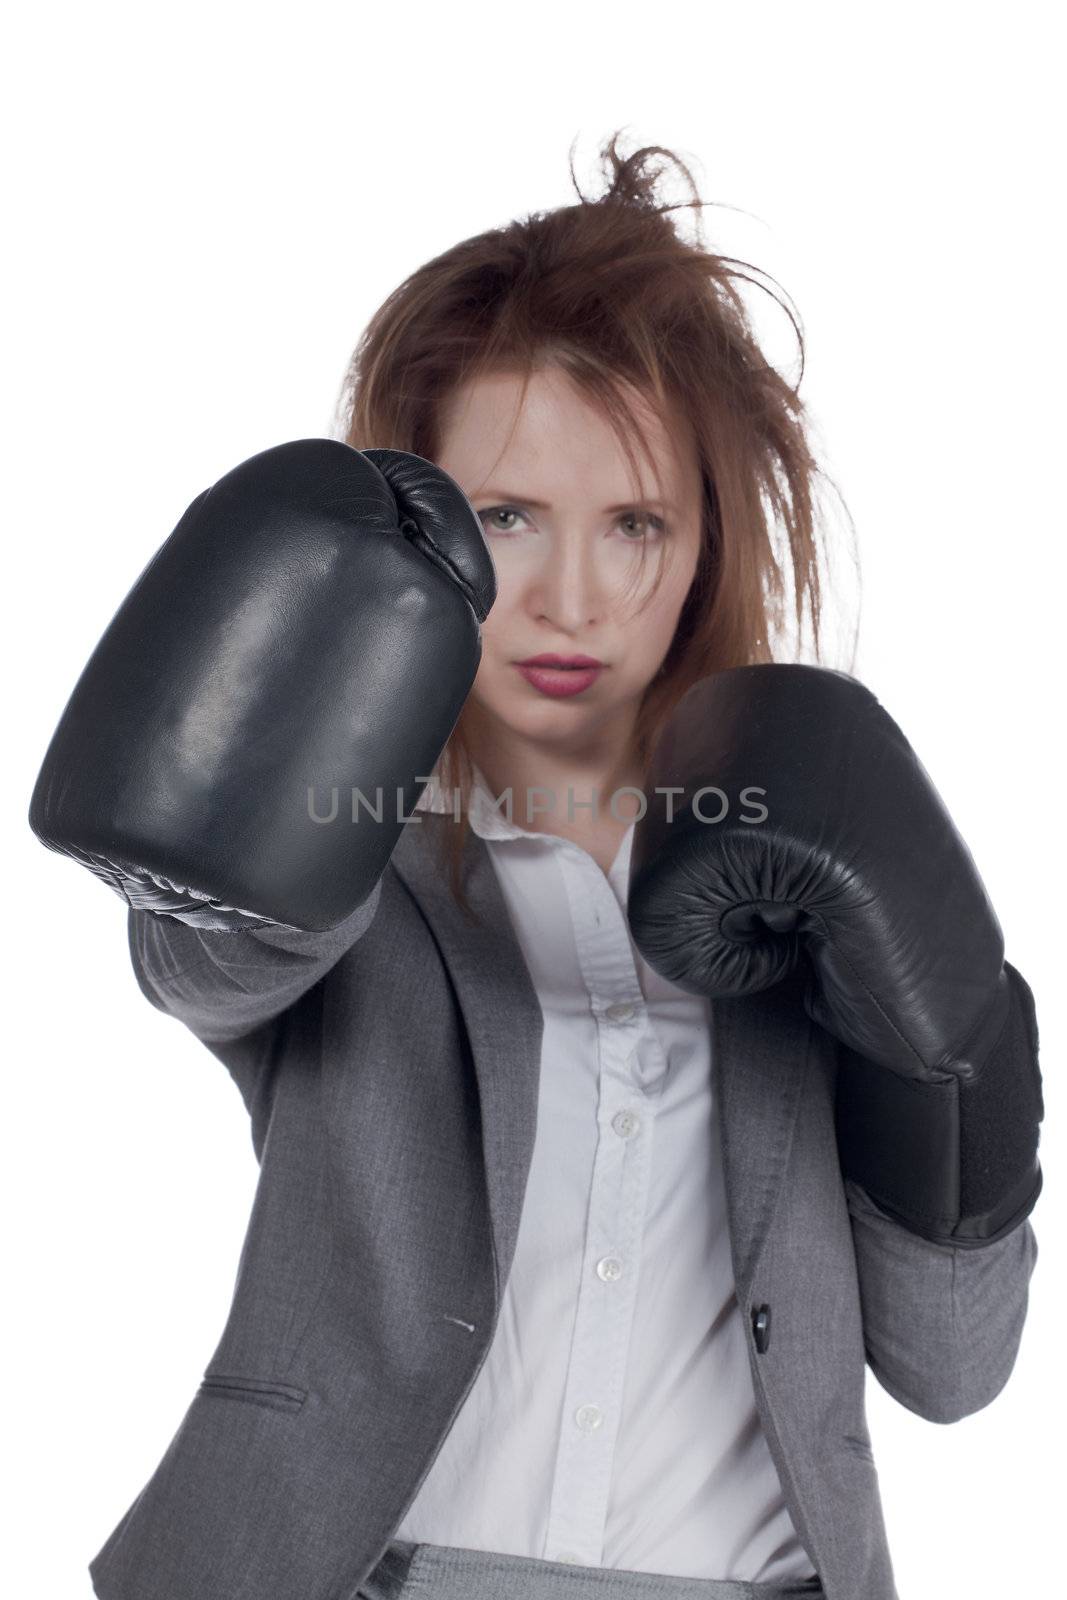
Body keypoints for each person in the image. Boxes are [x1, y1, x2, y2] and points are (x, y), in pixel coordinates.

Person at [28, 134, 1042, 1600]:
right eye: (505, 517)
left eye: (635, 524)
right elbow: (201, 960)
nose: (570, 598)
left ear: (703, 547)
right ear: (422, 524)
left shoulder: (805, 879)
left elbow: (954, 1372)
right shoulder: (356, 862)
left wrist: (950, 1046)